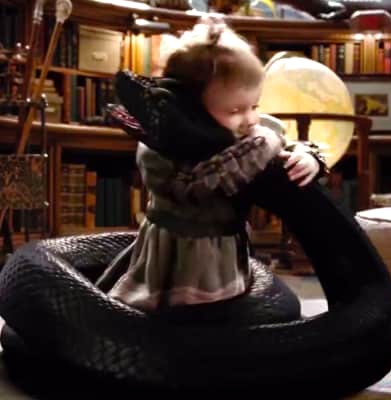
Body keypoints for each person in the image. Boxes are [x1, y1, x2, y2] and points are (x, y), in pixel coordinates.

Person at [96, 16, 328, 316]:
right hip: (182, 263)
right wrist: (266, 143)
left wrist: (309, 158)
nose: (251, 119)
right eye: (236, 110)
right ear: (190, 108)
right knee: (183, 321)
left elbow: (286, 145)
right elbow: (197, 185)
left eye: (254, 106)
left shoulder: (243, 131)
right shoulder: (161, 150)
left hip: (227, 254)